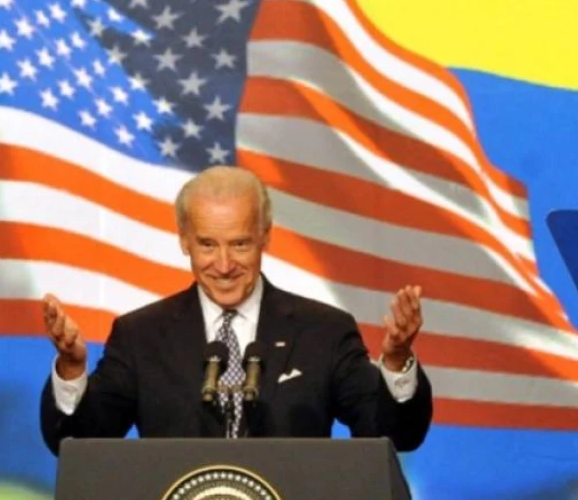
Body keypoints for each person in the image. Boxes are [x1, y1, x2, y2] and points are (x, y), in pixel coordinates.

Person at [39, 166, 433, 455]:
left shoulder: (323, 332)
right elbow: (79, 441)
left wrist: (397, 360)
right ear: (184, 241)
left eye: (240, 244)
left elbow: (394, 435)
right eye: (208, 245)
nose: (224, 265)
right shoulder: (141, 336)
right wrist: (72, 370)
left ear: (265, 237)